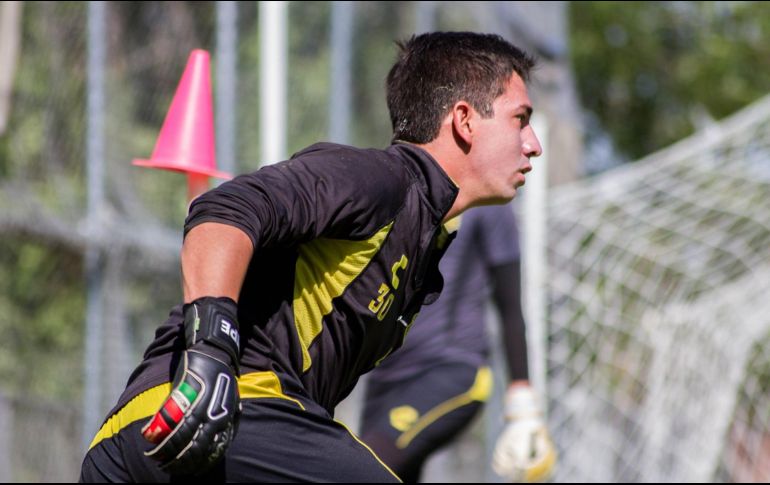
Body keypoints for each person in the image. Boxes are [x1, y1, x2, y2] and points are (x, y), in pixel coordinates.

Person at [80, 31, 542, 482]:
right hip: (217, 408)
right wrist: (210, 354)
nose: (533, 144)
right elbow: (224, 211)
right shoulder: (382, 179)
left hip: (129, 446)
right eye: (520, 118)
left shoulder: (422, 240)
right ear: (464, 120)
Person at [359, 203, 556, 483]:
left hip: (450, 369)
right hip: (383, 376)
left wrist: (522, 405)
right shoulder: (397, 186)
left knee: (363, 467)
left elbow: (510, 305)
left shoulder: (490, 203)